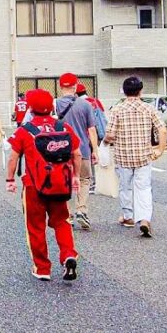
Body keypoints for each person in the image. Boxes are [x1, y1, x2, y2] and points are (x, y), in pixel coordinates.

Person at [5, 88, 79, 282]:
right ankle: (68, 254)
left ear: (30, 107)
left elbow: (13, 157)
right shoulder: (63, 127)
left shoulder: (25, 131)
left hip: (33, 185)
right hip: (60, 184)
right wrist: (76, 176)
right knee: (62, 221)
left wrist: (10, 179)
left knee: (35, 227)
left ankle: (42, 267)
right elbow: (77, 153)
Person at [104, 76, 167, 238]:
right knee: (144, 188)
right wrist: (160, 150)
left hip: (123, 156)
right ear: (140, 91)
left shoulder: (117, 110)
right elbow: (162, 130)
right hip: (143, 156)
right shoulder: (148, 108)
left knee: (125, 187)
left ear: (124, 92)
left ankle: (128, 217)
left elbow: (110, 135)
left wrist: (105, 143)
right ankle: (144, 219)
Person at [54, 73, 98, 231]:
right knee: (85, 180)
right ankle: (82, 210)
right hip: (83, 149)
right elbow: (91, 130)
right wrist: (95, 151)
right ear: (75, 86)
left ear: (60, 87)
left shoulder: (55, 104)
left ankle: (68, 215)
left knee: (64, 182)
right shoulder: (86, 105)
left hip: (60, 149)